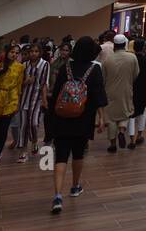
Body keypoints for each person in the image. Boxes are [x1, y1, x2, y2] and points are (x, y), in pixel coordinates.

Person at [45, 36, 106, 214]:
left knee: (61, 155)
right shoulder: (95, 69)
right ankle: (75, 186)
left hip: (62, 116)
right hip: (84, 118)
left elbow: (56, 93)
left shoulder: (66, 68)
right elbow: (98, 96)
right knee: (78, 154)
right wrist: (101, 118)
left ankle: (57, 195)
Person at [0, 47, 25, 166]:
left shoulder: (20, 67)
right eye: (12, 52)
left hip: (11, 98)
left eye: (17, 53)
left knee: (4, 128)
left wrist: (18, 100)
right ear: (7, 53)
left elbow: (19, 84)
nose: (14, 54)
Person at [101, 34, 138, 153]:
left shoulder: (107, 59)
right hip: (126, 90)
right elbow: (136, 74)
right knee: (126, 112)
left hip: (110, 91)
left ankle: (112, 144)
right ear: (124, 44)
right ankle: (122, 131)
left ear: (114, 46)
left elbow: (103, 77)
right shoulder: (132, 57)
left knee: (111, 118)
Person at [15, 44, 50, 162]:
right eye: (31, 51)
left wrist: (44, 100)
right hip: (25, 98)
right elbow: (20, 84)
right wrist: (27, 81)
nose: (33, 53)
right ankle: (23, 151)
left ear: (40, 52)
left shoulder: (45, 64)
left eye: (36, 51)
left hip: (37, 99)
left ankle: (34, 140)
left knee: (34, 123)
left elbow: (44, 83)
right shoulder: (24, 65)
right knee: (23, 125)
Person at [131, 39, 146, 145]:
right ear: (144, 48)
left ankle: (131, 138)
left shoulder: (130, 60)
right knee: (142, 112)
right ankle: (139, 135)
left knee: (131, 113)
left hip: (131, 89)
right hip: (144, 89)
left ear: (133, 48)